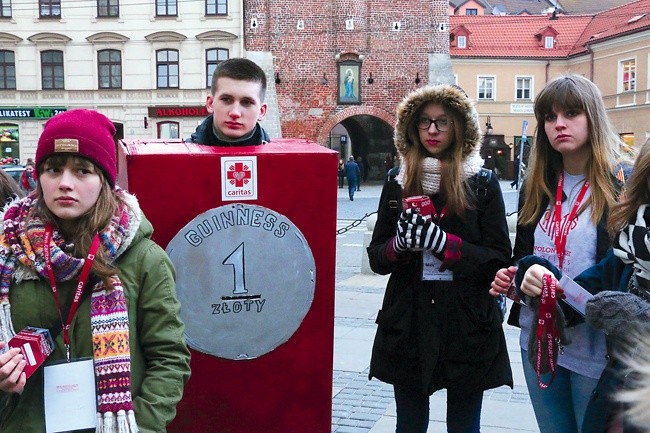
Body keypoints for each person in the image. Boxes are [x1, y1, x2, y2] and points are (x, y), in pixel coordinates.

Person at [0, 109, 191, 432]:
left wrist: (140, 427)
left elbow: (169, 361)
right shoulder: (9, 253)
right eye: (53, 169)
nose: (64, 183)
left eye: (82, 171)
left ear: (104, 179)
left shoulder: (145, 260)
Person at [367, 84, 513, 433]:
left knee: (464, 426)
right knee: (410, 425)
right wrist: (398, 246)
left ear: (460, 127)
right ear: (412, 128)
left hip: (465, 319)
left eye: (443, 122)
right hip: (409, 317)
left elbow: (498, 259)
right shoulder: (397, 181)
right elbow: (377, 256)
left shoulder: (482, 183)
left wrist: (445, 244)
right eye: (425, 122)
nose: (433, 131)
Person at [489, 74, 627, 433]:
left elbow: (625, 272)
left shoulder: (621, 187)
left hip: (596, 347)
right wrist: (516, 278)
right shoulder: (538, 186)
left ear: (593, 117)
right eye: (549, 117)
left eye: (571, 113)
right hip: (539, 340)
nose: (559, 124)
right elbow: (524, 255)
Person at [513, 138, 650, 433]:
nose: (560, 124)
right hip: (622, 395)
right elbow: (578, 298)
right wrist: (534, 274)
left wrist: (641, 320)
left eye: (571, 113)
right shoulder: (629, 247)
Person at [187, 57, 270, 146]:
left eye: (246, 102)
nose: (235, 113)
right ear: (210, 103)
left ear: (261, 111)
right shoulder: (181, 158)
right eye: (226, 100)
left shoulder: (281, 159)